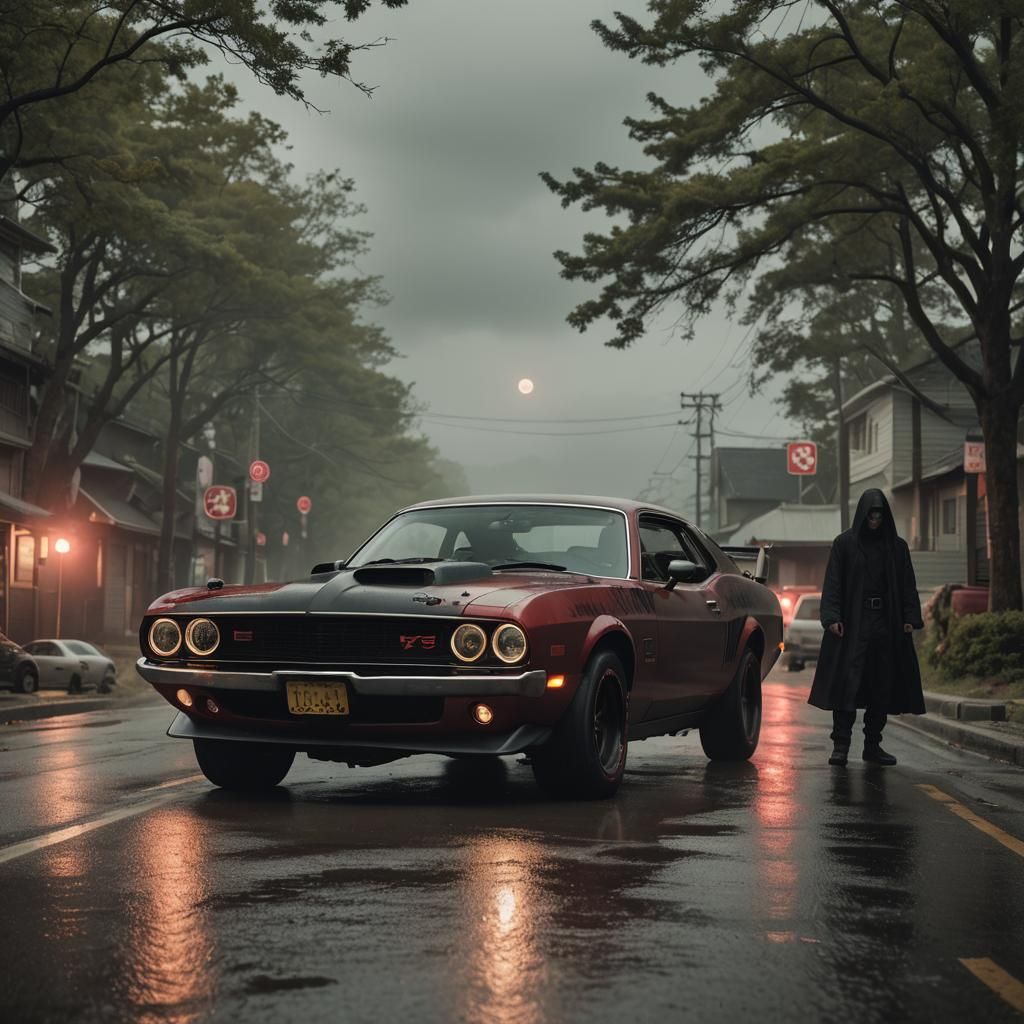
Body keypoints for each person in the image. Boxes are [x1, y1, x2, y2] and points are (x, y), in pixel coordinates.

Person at [808, 488, 925, 766]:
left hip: (886, 623)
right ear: (863, 515)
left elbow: (907, 585)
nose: (875, 519)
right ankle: (841, 745)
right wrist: (832, 616)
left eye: (879, 514)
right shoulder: (845, 544)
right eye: (871, 514)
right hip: (853, 624)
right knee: (847, 684)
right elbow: (833, 582)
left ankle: (873, 745)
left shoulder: (896, 547)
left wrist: (910, 616)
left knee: (881, 685)